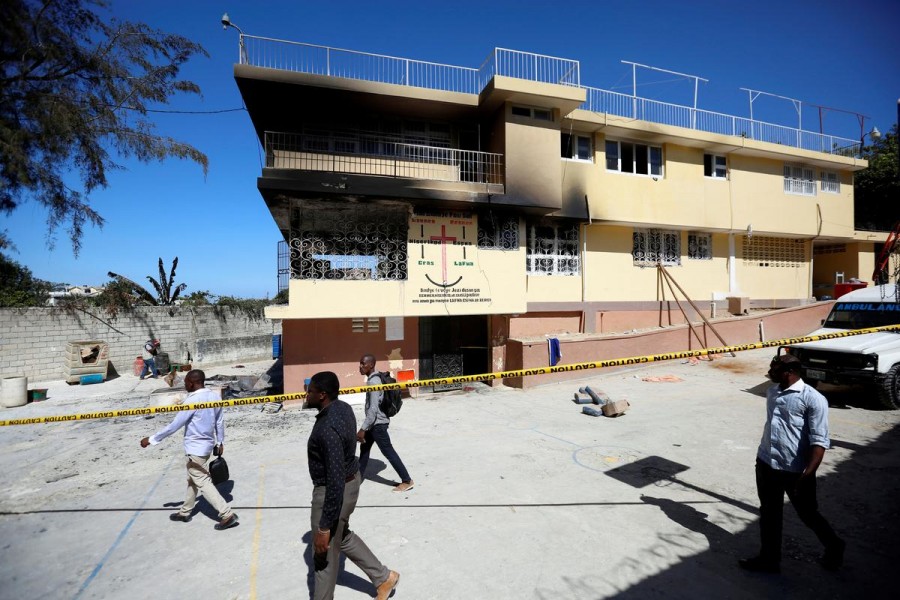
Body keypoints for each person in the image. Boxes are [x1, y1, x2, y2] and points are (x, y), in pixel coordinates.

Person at [739, 354, 845, 573]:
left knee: (808, 514)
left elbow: (819, 440)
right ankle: (769, 559)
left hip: (795, 470)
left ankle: (834, 545)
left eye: (774, 369)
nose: (770, 372)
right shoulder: (772, 391)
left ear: (789, 372)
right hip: (766, 462)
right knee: (769, 513)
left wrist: (807, 474)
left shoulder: (813, 399)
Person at [306, 371, 399, 600]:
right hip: (351, 480)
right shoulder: (343, 408)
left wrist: (324, 527)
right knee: (343, 535)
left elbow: (335, 480)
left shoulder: (326, 429)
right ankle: (383, 577)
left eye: (311, 390)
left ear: (322, 395)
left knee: (323, 555)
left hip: (334, 490)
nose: (306, 393)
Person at [139, 369, 238, 531]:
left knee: (203, 481)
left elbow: (174, 426)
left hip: (195, 449)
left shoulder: (192, 401)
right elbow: (219, 421)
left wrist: (151, 439)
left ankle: (227, 515)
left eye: (186, 382)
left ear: (192, 383)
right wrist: (220, 441)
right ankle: (185, 512)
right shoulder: (214, 396)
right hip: (207, 447)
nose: (185, 385)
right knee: (193, 479)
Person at [357, 354, 414, 492]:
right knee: (364, 450)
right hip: (374, 424)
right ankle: (356, 480)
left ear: (371, 365)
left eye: (363, 363)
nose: (360, 366)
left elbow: (373, 409)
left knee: (388, 451)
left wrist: (363, 428)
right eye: (360, 363)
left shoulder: (374, 382)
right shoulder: (374, 379)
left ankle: (407, 480)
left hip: (377, 425)